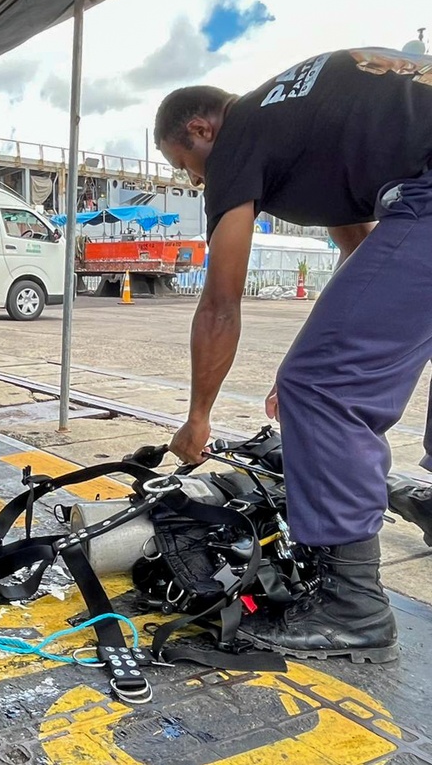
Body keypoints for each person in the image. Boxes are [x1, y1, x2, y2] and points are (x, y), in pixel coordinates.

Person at [154, 46, 432, 664]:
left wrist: (198, 418)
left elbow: (221, 303)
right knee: (330, 369)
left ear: (202, 130)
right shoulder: (299, 118)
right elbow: (361, 251)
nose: (199, 181)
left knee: (324, 387)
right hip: (416, 195)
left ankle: (351, 607)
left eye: (189, 167)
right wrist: (316, 352)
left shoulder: (239, 138)